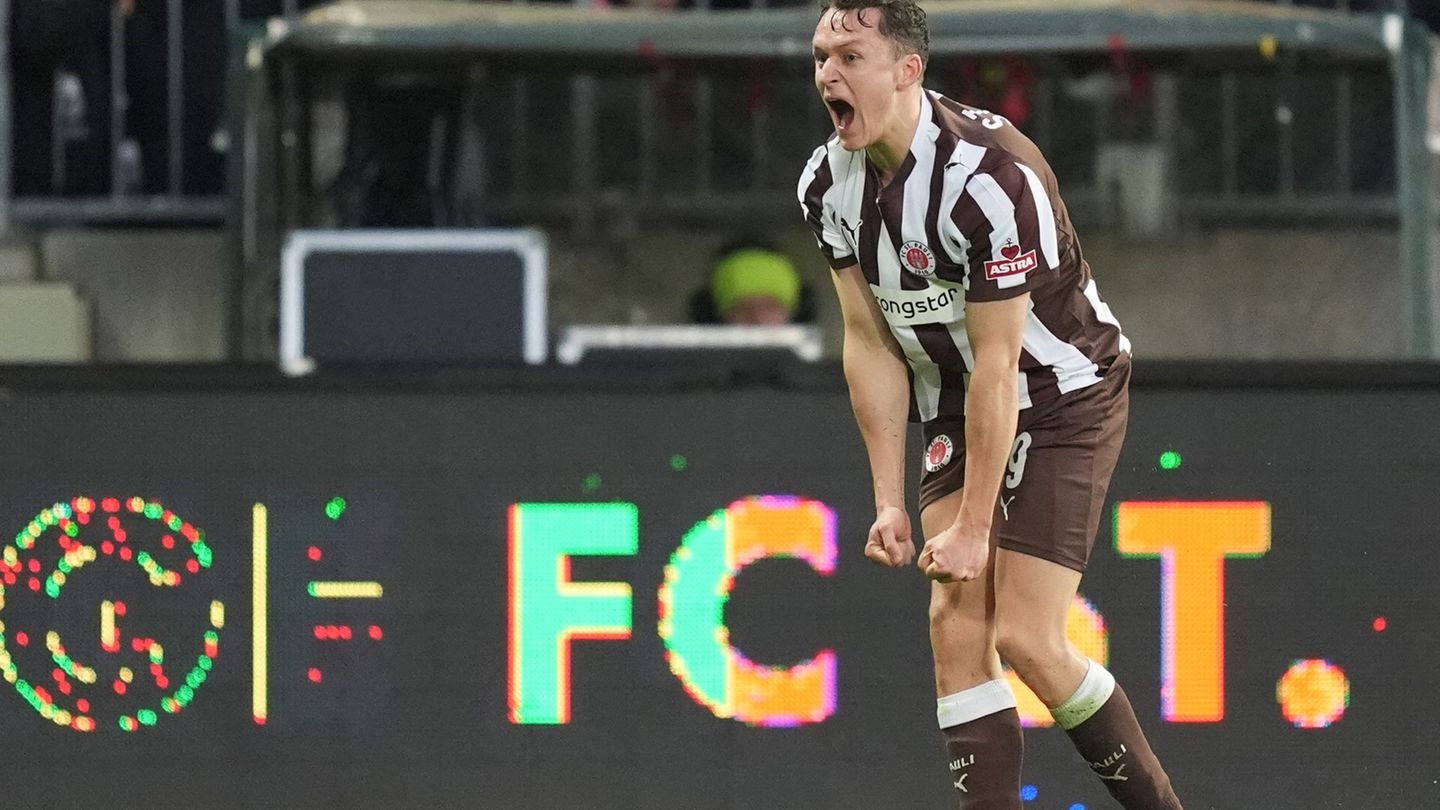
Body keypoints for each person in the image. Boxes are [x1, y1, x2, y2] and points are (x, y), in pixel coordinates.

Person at [796, 2, 1182, 808]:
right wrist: (888, 499)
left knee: (1028, 639)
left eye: (851, 56)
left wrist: (975, 526)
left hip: (1060, 392)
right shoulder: (826, 184)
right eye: (822, 55)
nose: (828, 73)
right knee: (955, 624)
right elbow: (868, 340)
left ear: (908, 70)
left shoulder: (990, 179)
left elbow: (1002, 365)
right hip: (954, 395)